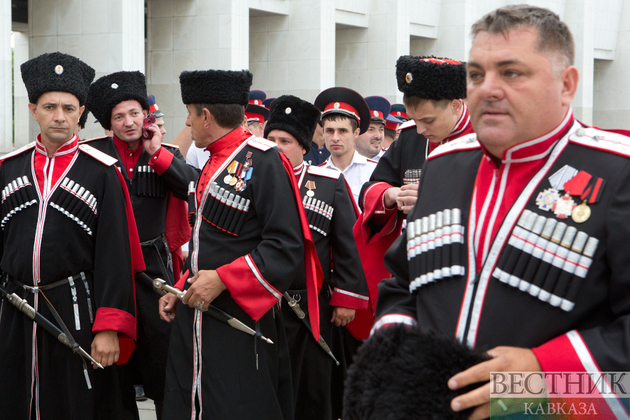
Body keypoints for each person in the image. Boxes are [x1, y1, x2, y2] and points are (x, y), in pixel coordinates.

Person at [374, 5, 630, 419]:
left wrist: (538, 381)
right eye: (476, 75)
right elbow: (403, 286)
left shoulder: (617, 173)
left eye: (511, 73)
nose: (487, 89)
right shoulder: (443, 166)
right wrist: (393, 362)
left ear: (566, 85)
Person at [159, 69, 321, 420]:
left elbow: (285, 246)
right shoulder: (210, 160)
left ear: (206, 116)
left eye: (189, 113)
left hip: (238, 322)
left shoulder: (264, 160)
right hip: (195, 317)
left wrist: (222, 279)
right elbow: (209, 241)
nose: (187, 121)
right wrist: (181, 284)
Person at [0, 52, 138, 419]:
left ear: (81, 113)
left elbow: (116, 256)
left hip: (76, 311)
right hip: (12, 313)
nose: (59, 116)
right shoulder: (7, 168)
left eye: (68, 107)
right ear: (33, 111)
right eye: (49, 107)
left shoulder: (102, 172)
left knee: (73, 404)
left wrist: (109, 327)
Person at [85, 71, 197, 419]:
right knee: (111, 370)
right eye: (119, 116)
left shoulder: (165, 153)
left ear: (146, 116)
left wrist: (157, 155)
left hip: (154, 271)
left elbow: (192, 190)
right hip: (106, 272)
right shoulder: (92, 156)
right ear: (109, 123)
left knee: (163, 363)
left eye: (135, 113)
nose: (129, 122)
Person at [348, 55, 473, 340]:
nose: (420, 130)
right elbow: (371, 188)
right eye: (413, 119)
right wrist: (391, 195)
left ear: (456, 106)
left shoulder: (485, 139)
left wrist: (434, 201)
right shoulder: (410, 136)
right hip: (410, 266)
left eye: (427, 120)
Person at [265, 95, 368, 420]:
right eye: (271, 140)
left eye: (286, 141)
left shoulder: (327, 183)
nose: (277, 147)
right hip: (264, 305)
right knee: (269, 387)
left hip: (311, 307)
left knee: (312, 391)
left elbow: (349, 244)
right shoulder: (253, 180)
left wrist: (346, 298)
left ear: (304, 145)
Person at [315, 87, 376, 207]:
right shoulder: (317, 174)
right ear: (322, 132)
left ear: (356, 133)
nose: (335, 138)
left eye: (342, 131)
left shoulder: (374, 171)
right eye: (329, 131)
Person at [354, 96, 389, 161]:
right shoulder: (342, 161)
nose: (378, 136)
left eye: (381, 130)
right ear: (356, 133)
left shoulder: (393, 160)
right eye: (370, 130)